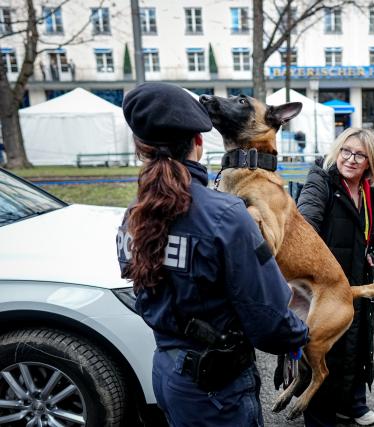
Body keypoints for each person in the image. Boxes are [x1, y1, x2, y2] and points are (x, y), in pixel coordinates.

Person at [116, 82, 308, 427]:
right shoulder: (227, 215)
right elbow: (270, 321)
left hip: (165, 371)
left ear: (140, 147)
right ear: (200, 143)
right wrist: (300, 335)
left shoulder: (134, 215)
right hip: (218, 389)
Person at [296, 128, 374, 426]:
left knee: (359, 342)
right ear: (337, 152)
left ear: (370, 162)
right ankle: (319, 414)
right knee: (325, 348)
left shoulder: (372, 190)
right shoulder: (321, 180)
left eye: (359, 155)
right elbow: (306, 221)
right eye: (345, 151)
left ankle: (352, 403)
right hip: (325, 285)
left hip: (360, 280)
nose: (350, 159)